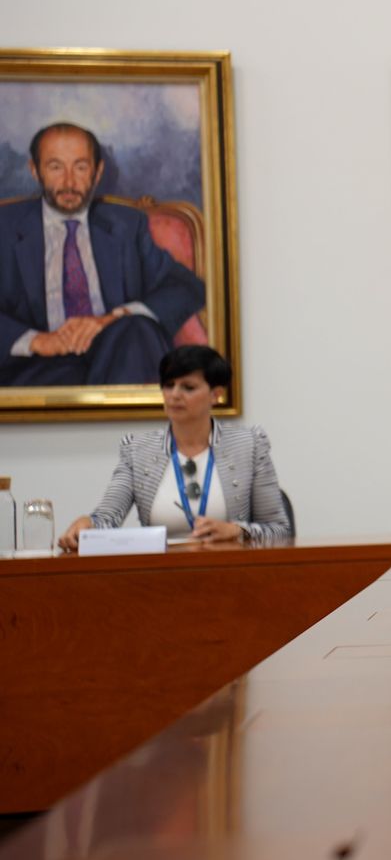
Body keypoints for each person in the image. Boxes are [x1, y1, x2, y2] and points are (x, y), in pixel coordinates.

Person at [0, 122, 207, 387]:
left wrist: (112, 318)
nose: (69, 182)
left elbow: (185, 287)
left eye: (81, 167)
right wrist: (36, 340)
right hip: (38, 368)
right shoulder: (5, 228)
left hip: (121, 355)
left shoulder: (127, 227)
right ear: (34, 170)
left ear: (97, 173)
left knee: (136, 328)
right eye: (55, 167)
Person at [59, 345, 291, 550]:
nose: (174, 395)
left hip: (232, 576)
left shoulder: (249, 445)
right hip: (159, 579)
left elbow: (280, 531)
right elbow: (107, 519)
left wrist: (237, 532)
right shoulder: (137, 449)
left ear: (215, 394)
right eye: (169, 386)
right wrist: (87, 524)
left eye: (188, 387)